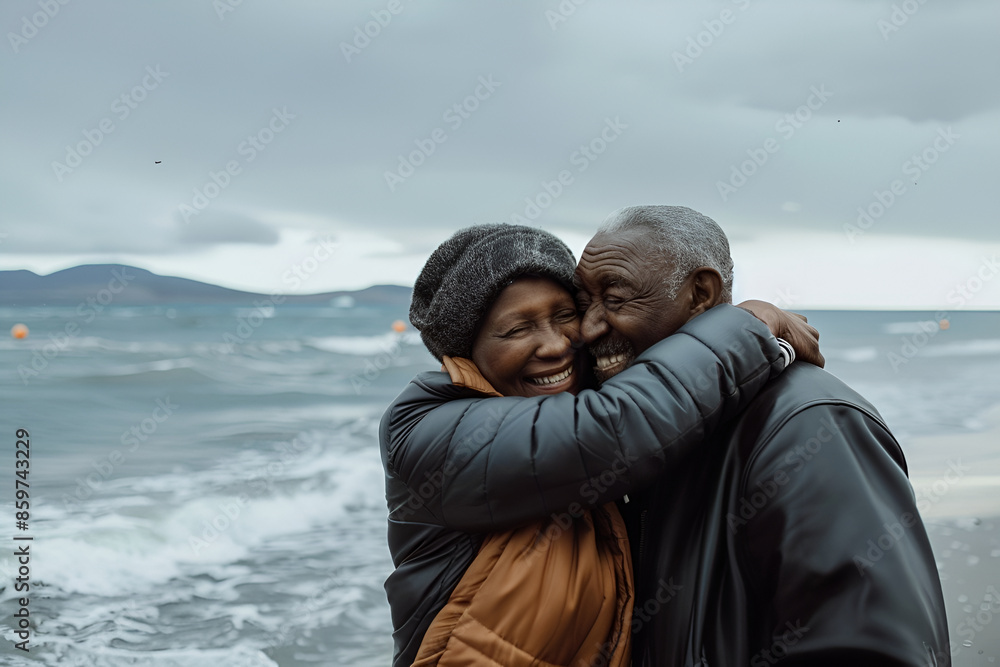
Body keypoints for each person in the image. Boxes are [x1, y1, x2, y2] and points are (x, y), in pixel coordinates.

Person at [380, 223, 819, 666]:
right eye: (517, 329)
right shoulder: (427, 428)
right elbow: (612, 431)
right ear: (467, 350)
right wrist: (748, 329)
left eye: (564, 314)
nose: (556, 345)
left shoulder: (588, 400)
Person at [574, 205, 950, 666]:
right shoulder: (630, 428)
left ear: (701, 294)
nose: (587, 327)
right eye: (582, 303)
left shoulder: (809, 426)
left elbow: (872, 650)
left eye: (615, 299)